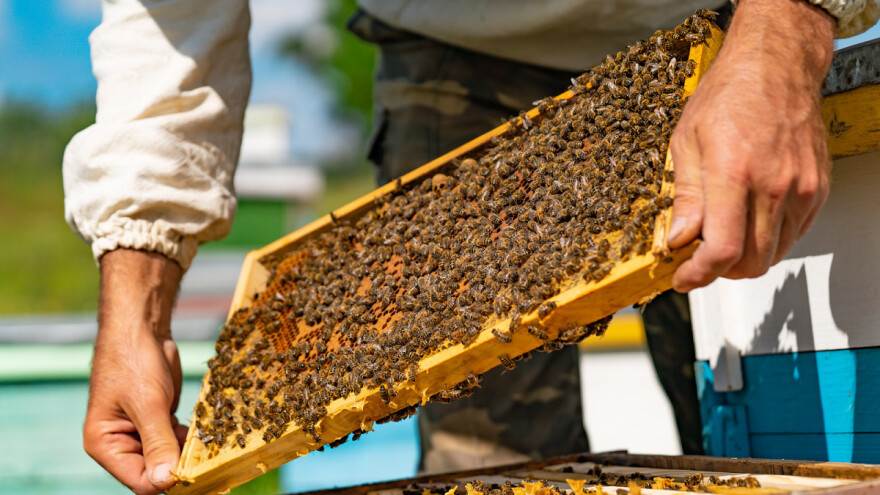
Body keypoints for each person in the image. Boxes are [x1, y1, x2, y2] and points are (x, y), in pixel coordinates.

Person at [62, 1, 878, 494]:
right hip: (454, 52)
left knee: (763, 442)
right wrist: (137, 282)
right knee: (481, 463)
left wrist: (784, 31)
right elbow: (167, 20)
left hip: (715, 39)